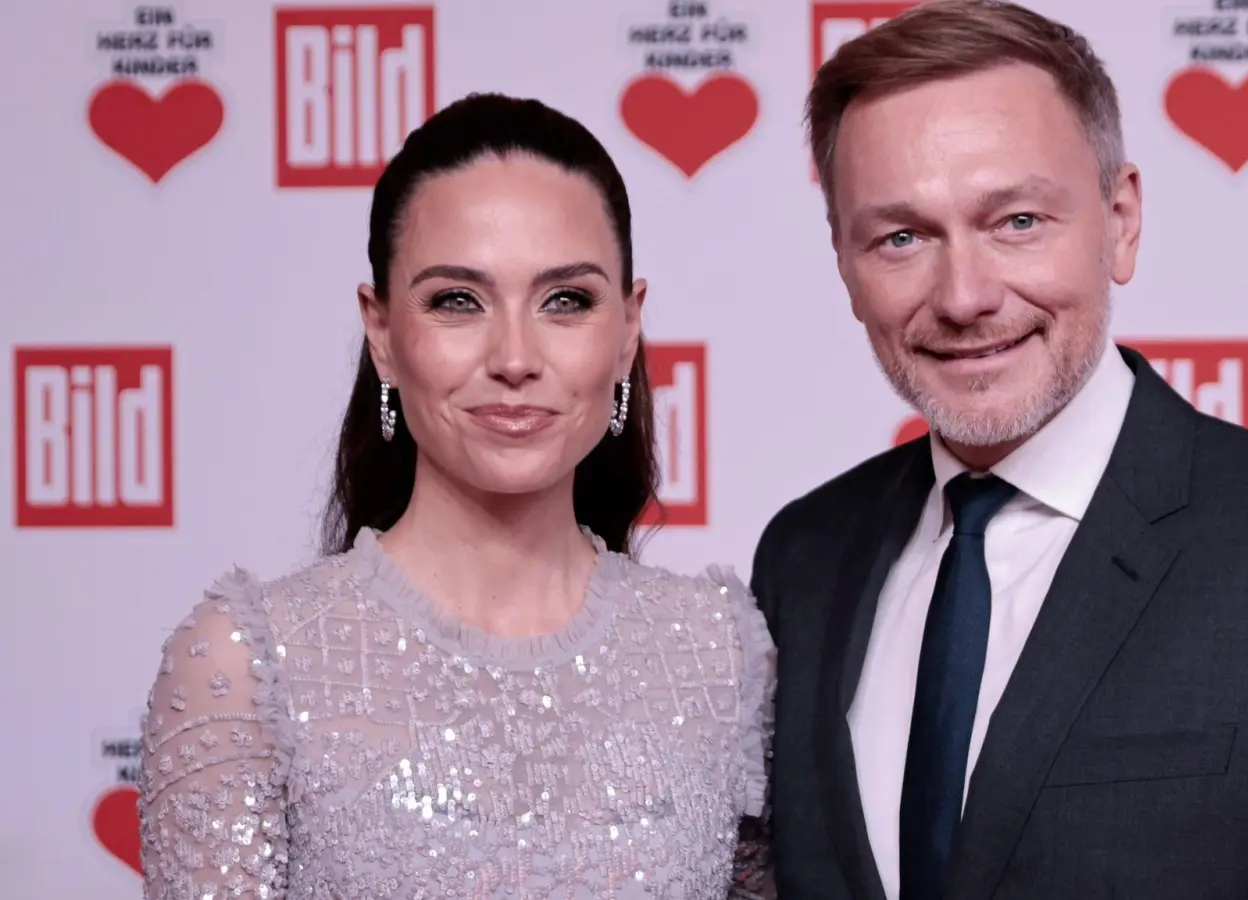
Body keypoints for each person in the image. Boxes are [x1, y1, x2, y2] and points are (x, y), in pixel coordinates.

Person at [749, 1, 1248, 898]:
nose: (964, 295)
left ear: (1121, 220)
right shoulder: (803, 556)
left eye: (1017, 221)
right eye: (901, 237)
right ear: (844, 261)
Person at [137, 93, 775, 899]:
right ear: (381, 331)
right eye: (456, 300)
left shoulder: (720, 653)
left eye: (566, 301)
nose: (514, 355)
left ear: (628, 329)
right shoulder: (251, 662)